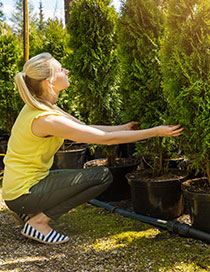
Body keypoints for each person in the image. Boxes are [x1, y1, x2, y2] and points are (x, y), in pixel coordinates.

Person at [2, 52, 183, 245]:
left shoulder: (40, 107)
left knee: (80, 177)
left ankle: (27, 211)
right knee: (102, 176)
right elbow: (106, 139)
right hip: (24, 192)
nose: (66, 70)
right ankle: (38, 222)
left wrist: (123, 128)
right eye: (61, 69)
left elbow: (86, 129)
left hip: (19, 189)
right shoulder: (47, 119)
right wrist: (155, 132)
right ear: (49, 82)